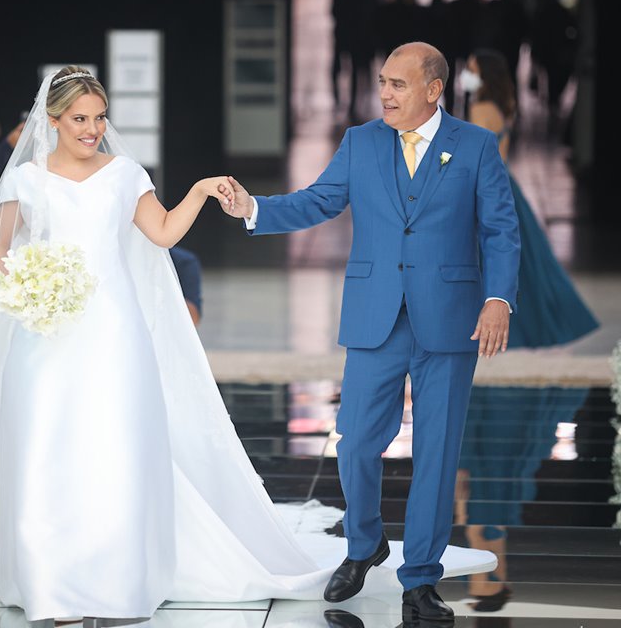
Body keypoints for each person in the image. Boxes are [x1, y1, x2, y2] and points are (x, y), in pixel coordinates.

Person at [0, 66, 497, 623]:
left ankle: (416, 576)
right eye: (80, 119)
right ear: (53, 121)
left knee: (119, 445)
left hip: (116, 329)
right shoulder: (27, 181)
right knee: (44, 441)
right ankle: (44, 570)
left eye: (100, 118)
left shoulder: (125, 175)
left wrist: (204, 192)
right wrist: (29, 289)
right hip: (49, 328)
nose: (93, 129)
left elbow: (164, 231)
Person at [221, 42, 520, 622]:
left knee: (436, 452)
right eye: (383, 81)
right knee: (356, 439)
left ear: (434, 89)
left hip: (452, 317)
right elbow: (319, 201)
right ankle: (364, 546)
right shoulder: (360, 142)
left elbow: (501, 231)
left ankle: (420, 580)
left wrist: (498, 298)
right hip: (375, 314)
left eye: (399, 84)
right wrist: (253, 208)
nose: (385, 93)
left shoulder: (476, 146)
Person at [461, 50, 597, 347]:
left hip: (487, 188)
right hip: (507, 184)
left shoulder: (481, 107)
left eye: (471, 69)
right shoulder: (504, 105)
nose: (465, 75)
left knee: (485, 258)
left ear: (484, 74)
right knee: (524, 263)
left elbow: (477, 156)